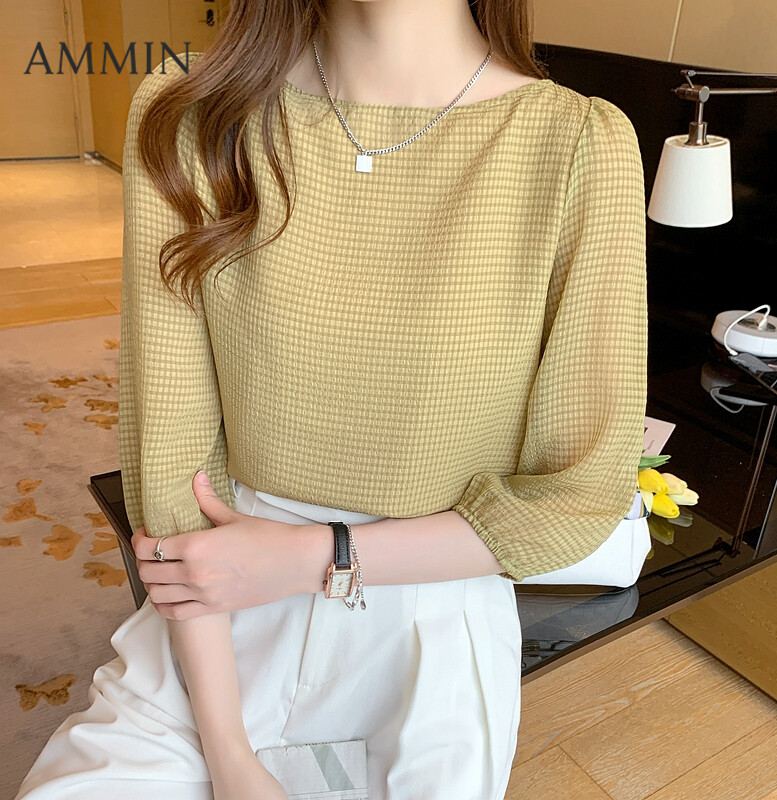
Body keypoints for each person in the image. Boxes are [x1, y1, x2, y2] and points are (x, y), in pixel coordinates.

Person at [13, 0, 648, 798]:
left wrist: (317, 556)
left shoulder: (576, 145)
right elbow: (173, 466)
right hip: (217, 601)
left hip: (426, 626)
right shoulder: (193, 114)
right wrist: (230, 755)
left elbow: (576, 496)